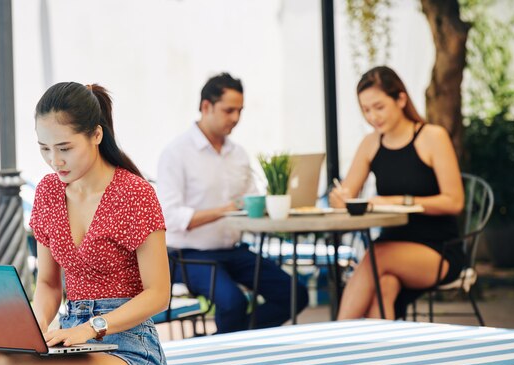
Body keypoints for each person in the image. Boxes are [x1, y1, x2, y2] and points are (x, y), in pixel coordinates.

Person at [0, 82, 170, 365]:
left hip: (129, 352)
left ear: (96, 135)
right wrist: (32, 332)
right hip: (70, 344)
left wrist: (93, 327)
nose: (55, 161)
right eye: (44, 149)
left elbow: (158, 293)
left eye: (64, 148)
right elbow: (49, 285)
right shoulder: (49, 193)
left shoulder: (135, 194)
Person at [157, 72, 308, 333]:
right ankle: (228, 346)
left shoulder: (238, 154)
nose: (236, 118)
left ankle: (226, 342)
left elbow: (248, 202)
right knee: (232, 303)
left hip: (234, 251)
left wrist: (274, 203)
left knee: (295, 294)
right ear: (206, 107)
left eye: (240, 111)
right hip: (189, 256)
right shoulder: (176, 153)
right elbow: (169, 218)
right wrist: (224, 210)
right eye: (229, 110)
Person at [330, 66, 465, 320]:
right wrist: (339, 199)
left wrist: (400, 201)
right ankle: (377, 357)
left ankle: (334, 341)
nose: (372, 117)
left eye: (379, 107)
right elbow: (346, 193)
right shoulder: (371, 143)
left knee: (374, 258)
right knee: (386, 285)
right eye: (366, 110)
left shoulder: (432, 137)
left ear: (401, 99)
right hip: (392, 245)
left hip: (438, 248)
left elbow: (455, 202)